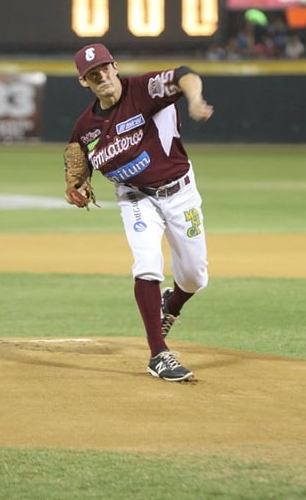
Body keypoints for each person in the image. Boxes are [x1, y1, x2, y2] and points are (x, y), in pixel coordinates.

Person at [65, 43, 213, 382]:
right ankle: (158, 353)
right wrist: (76, 185)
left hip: (180, 192)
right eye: (92, 74)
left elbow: (184, 74)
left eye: (104, 68)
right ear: (84, 82)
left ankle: (170, 306)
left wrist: (194, 100)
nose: (101, 76)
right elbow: (77, 160)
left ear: (114, 66)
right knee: (147, 264)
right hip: (135, 197)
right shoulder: (85, 126)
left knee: (194, 276)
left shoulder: (143, 90)